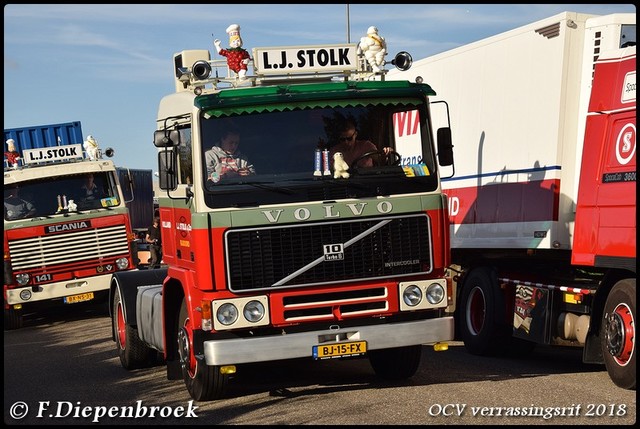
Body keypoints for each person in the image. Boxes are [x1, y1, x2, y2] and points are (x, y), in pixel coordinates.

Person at [330, 119, 394, 168]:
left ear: (355, 134)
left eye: (349, 138)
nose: (346, 142)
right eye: (342, 139)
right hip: (344, 183)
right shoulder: (334, 151)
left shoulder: (366, 146)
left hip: (366, 182)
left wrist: (385, 154)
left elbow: (380, 160)